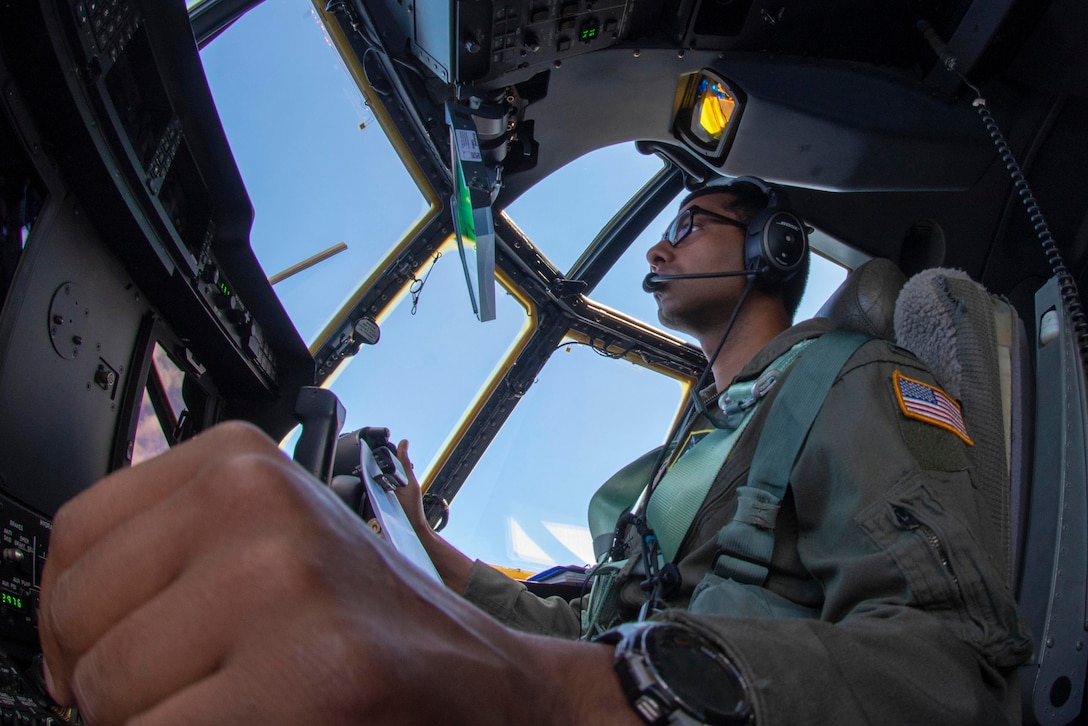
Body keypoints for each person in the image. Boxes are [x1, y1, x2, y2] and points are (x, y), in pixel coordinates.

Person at [37, 178, 1031, 724]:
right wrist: (421, 546)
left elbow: (954, 672)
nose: (654, 249)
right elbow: (585, 624)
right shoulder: (676, 466)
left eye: (687, 226)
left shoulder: (854, 385)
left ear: (771, 247)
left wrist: (567, 696)